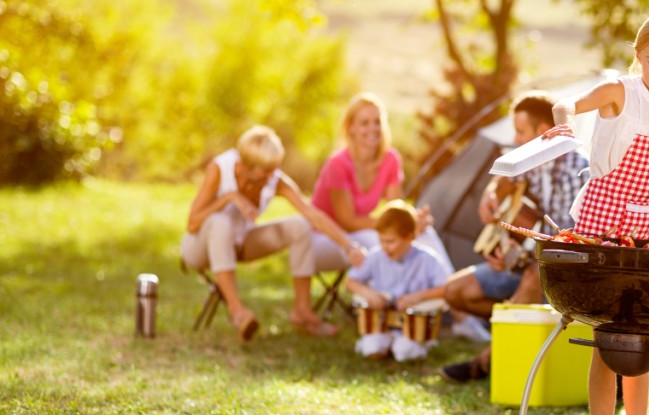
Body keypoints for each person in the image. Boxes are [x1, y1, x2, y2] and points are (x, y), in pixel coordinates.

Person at [540, 12, 649, 415]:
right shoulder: (619, 92)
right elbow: (565, 103)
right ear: (637, 55)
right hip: (604, 221)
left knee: (641, 332)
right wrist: (564, 124)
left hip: (647, 224)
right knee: (608, 332)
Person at [440, 91, 589, 383]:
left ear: (543, 132)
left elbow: (567, 239)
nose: (516, 138)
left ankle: (484, 363)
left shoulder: (577, 168)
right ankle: (519, 319)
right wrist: (490, 195)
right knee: (454, 291)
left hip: (561, 268)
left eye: (521, 131)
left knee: (533, 278)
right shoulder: (530, 159)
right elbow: (506, 180)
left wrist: (520, 254)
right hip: (529, 260)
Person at [181, 125, 364, 341]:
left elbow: (312, 214)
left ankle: (302, 312)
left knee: (299, 225)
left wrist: (348, 245)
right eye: (266, 170)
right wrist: (229, 198)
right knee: (221, 222)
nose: (271, 175)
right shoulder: (221, 169)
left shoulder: (274, 179)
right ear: (244, 165)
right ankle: (237, 312)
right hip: (198, 248)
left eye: (274, 168)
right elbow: (192, 223)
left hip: (240, 244)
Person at [310, 92, 454, 275]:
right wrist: (391, 225)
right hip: (326, 238)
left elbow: (396, 207)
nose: (373, 128)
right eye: (364, 123)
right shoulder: (337, 164)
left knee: (425, 234)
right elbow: (347, 222)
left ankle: (449, 288)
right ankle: (398, 297)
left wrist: (412, 220)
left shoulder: (390, 159)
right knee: (379, 242)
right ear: (351, 128)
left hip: (359, 234)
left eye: (377, 122)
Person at [345, 200, 449, 361]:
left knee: (404, 353)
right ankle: (384, 344)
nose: (385, 247)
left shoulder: (428, 259)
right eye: (382, 241)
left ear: (410, 237)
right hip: (382, 325)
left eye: (391, 242)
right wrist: (367, 292)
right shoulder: (376, 256)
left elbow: (445, 288)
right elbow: (350, 281)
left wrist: (418, 296)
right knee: (371, 349)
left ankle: (411, 345)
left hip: (413, 327)